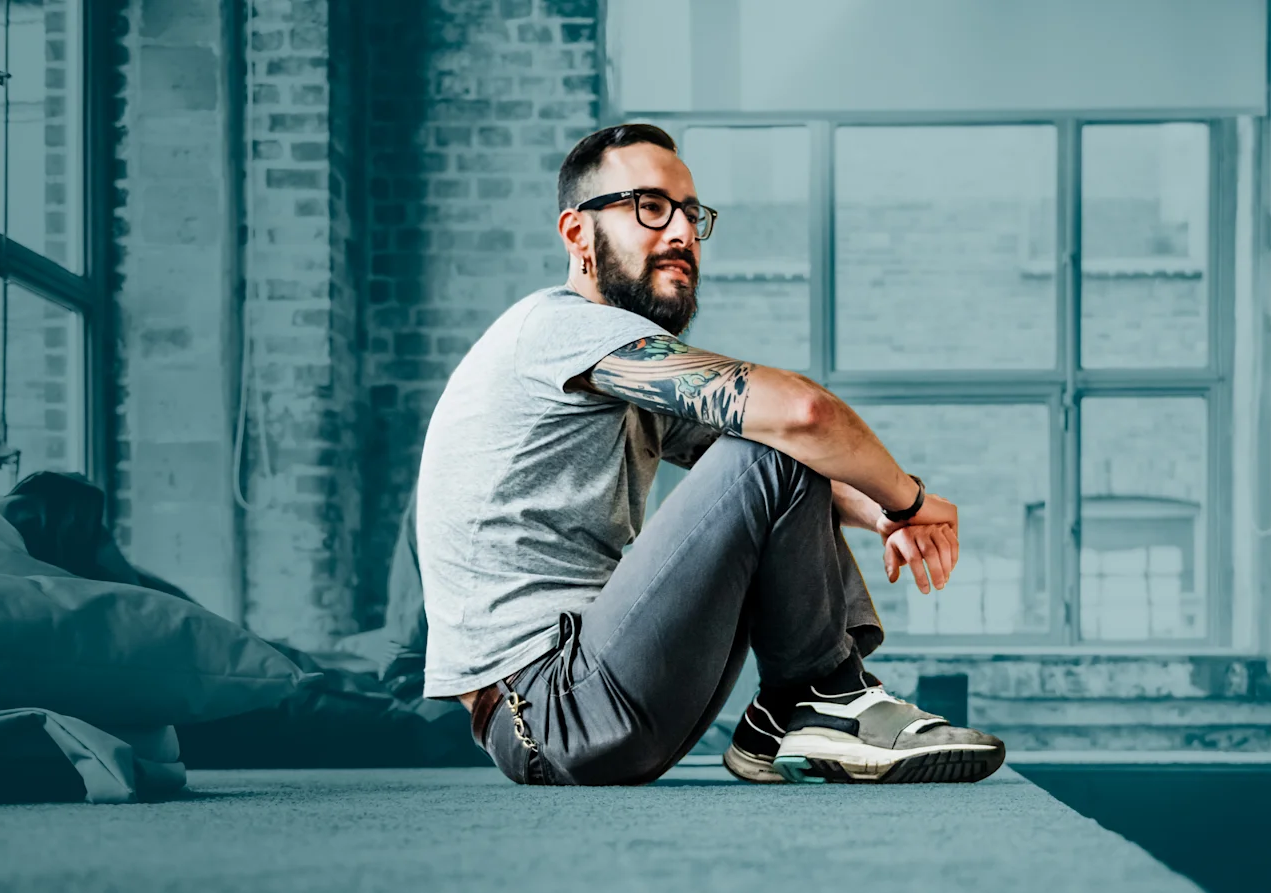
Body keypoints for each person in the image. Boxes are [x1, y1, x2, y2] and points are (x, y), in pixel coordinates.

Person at [415, 122, 1005, 786]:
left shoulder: (614, 370)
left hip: (601, 696)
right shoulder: (556, 331)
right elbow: (802, 416)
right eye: (650, 207)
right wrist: (912, 499)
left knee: (768, 444)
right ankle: (823, 699)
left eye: (692, 215)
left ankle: (796, 711)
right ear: (578, 234)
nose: (681, 233)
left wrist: (883, 517)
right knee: (774, 433)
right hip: (551, 708)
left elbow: (780, 477)